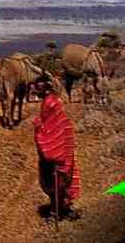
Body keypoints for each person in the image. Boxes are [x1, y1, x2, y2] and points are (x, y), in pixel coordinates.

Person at [32, 73, 80, 220]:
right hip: (62, 146)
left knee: (55, 182)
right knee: (63, 180)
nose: (36, 92)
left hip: (56, 148)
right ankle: (66, 209)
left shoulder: (49, 103)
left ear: (45, 89)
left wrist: (39, 128)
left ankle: (57, 212)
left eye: (38, 89)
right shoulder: (53, 101)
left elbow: (52, 127)